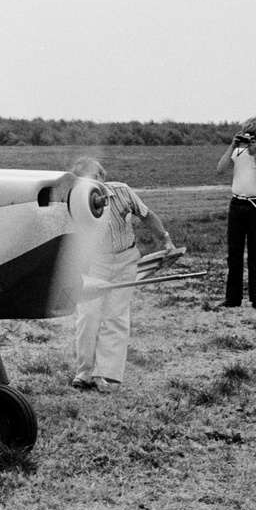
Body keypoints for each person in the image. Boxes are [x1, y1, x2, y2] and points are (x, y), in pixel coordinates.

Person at [71, 157, 176, 393]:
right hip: (94, 263)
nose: (91, 188)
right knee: (88, 316)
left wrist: (166, 239)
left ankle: (106, 376)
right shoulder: (76, 200)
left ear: (102, 178)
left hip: (125, 260)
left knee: (115, 316)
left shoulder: (123, 192)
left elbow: (147, 215)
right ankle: (84, 374)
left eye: (94, 180)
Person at [216, 117, 256, 310]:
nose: (252, 138)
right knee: (234, 255)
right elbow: (220, 169)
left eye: (255, 135)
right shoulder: (238, 153)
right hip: (237, 205)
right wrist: (232, 146)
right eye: (248, 134)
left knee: (255, 254)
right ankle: (233, 299)